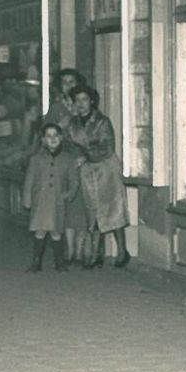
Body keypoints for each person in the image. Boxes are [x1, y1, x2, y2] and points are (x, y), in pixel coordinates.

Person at [65, 85, 131, 268]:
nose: (81, 104)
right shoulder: (72, 124)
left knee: (113, 209)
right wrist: (78, 155)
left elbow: (108, 147)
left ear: (92, 101)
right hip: (87, 171)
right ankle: (95, 253)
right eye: (77, 100)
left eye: (84, 100)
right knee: (92, 211)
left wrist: (86, 154)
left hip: (106, 169)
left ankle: (122, 251)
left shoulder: (102, 121)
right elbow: (69, 144)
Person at [21, 123, 86, 273]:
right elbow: (29, 180)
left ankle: (59, 262)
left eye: (55, 135)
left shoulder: (67, 159)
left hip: (58, 201)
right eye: (49, 136)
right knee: (40, 230)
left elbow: (74, 179)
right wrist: (27, 198)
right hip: (41, 201)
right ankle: (36, 262)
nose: (52, 139)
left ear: (61, 138)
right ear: (43, 140)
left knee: (57, 232)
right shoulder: (36, 159)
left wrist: (69, 194)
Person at [43, 68, 86, 135]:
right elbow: (45, 134)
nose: (68, 85)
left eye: (71, 82)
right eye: (64, 82)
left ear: (78, 84)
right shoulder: (56, 108)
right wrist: (59, 127)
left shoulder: (85, 105)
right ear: (60, 85)